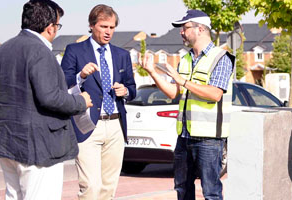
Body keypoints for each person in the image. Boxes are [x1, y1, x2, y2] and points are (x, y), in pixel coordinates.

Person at [0, 0, 93, 199]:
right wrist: (81, 102)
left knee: (13, 196)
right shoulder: (39, 50)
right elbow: (50, 97)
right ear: (50, 27)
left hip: (8, 141)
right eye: (58, 25)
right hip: (39, 146)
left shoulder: (4, 50)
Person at [140, 10, 235, 200]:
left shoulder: (221, 58)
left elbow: (215, 94)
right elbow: (174, 93)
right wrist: (152, 72)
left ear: (200, 29)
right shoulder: (185, 60)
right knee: (182, 189)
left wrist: (182, 81)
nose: (181, 32)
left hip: (209, 139)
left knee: (211, 192)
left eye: (185, 28)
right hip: (184, 136)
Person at [60, 4, 136, 200]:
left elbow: (133, 89)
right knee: (91, 187)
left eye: (111, 27)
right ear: (92, 25)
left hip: (116, 125)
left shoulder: (122, 55)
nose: (108, 32)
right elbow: (61, 83)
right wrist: (80, 75)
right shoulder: (74, 50)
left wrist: (126, 91)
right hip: (87, 125)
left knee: (108, 188)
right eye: (103, 26)